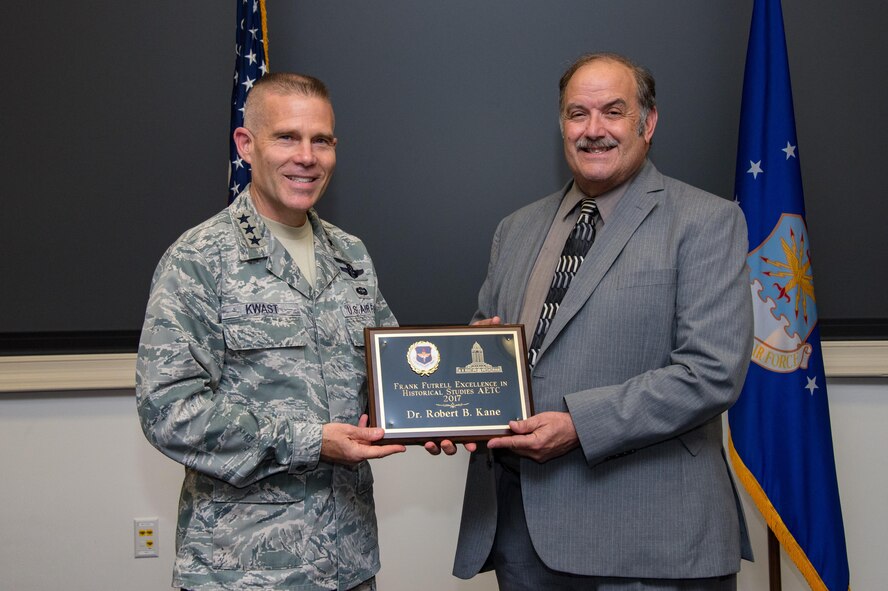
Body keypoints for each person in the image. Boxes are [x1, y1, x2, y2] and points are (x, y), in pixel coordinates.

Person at [427, 53, 753, 590]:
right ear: (562, 126)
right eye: (578, 114)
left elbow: (710, 372)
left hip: (646, 545)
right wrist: (452, 403)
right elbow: (486, 342)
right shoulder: (516, 229)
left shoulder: (706, 222)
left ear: (647, 123)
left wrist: (580, 425)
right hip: (522, 536)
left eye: (613, 112)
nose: (593, 130)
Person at [136, 72, 405, 591]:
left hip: (348, 566)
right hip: (242, 571)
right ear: (246, 144)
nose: (307, 156)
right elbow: (167, 410)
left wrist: (445, 403)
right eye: (287, 137)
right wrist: (311, 441)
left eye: (321, 140)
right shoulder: (198, 260)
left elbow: (390, 374)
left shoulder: (350, 257)